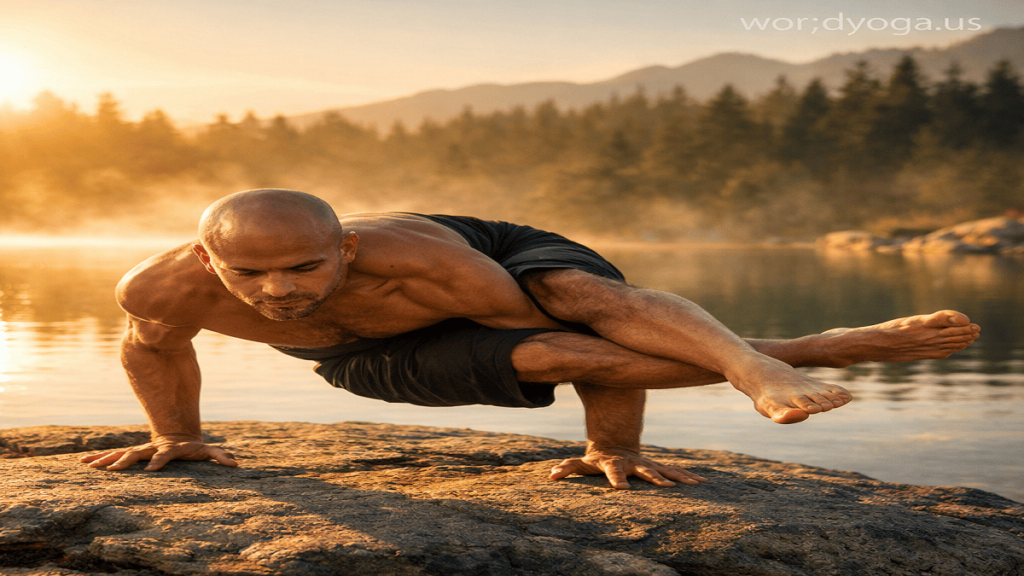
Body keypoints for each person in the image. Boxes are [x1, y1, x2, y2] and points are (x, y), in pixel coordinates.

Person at [82, 189, 981, 489]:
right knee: (557, 352)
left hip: (502, 259)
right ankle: (812, 348)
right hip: (364, 356)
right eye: (250, 275)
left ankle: (752, 361)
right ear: (209, 257)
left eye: (305, 269)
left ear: (344, 246)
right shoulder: (162, 286)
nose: (277, 290)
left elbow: (582, 328)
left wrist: (609, 448)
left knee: (578, 304)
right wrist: (177, 438)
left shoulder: (433, 265)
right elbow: (152, 347)